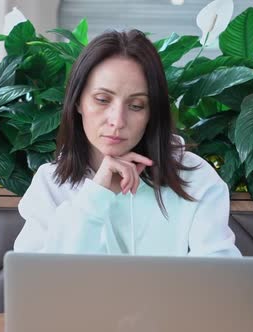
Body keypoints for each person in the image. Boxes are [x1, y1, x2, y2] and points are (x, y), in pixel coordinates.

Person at [13, 29, 241, 257]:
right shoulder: (50, 184)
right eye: (102, 100)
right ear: (78, 102)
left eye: (136, 106)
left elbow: (220, 279)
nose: (117, 121)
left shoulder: (196, 179)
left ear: (152, 112)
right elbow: (41, 280)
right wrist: (95, 196)